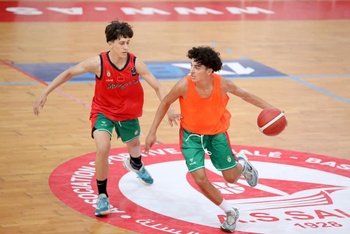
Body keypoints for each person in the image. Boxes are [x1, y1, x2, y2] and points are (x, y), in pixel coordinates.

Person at [33, 20, 180, 217]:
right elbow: (69, 72)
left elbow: (157, 86)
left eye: (128, 42)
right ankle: (102, 196)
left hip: (128, 113)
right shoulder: (98, 62)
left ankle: (136, 163)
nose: (126, 47)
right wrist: (45, 93)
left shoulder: (135, 62)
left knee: (134, 144)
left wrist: (169, 109)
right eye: (121, 43)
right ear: (110, 43)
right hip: (103, 112)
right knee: (103, 147)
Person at [144, 46, 281, 232]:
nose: (192, 71)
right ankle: (230, 211)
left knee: (231, 178)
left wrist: (274, 111)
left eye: (197, 67)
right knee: (200, 179)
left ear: (209, 71)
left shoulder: (223, 84)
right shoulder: (183, 85)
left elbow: (246, 96)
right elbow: (166, 101)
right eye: (191, 66)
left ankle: (243, 165)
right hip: (191, 137)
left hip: (216, 134)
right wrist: (152, 132)